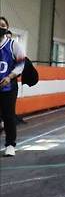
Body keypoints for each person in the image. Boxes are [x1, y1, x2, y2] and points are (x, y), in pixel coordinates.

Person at [0, 16, 25, 157]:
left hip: (8, 87)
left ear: (7, 28)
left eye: (3, 25)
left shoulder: (13, 45)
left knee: (8, 116)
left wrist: (10, 77)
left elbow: (21, 64)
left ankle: (10, 144)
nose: (0, 27)